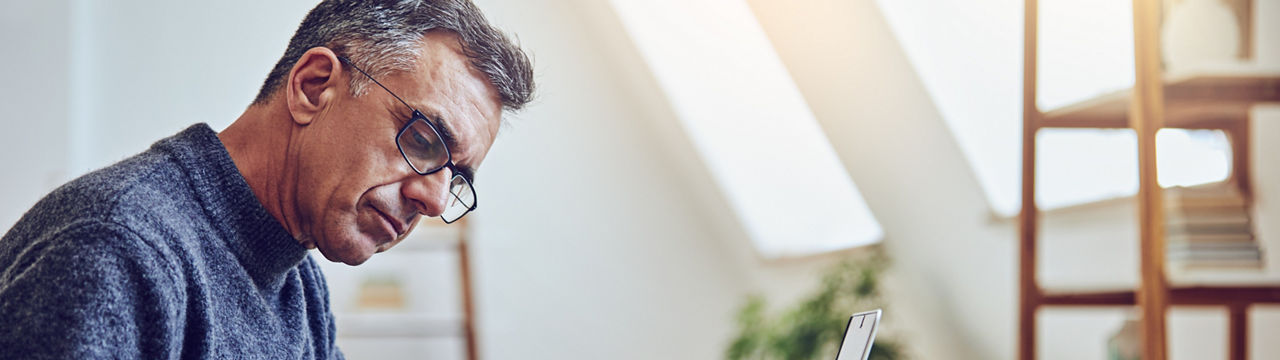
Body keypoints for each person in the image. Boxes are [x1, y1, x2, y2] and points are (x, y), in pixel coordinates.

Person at [0, 0, 533, 358]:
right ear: (313, 86)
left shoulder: (299, 284)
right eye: (422, 139)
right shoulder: (118, 248)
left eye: (456, 176)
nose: (435, 199)